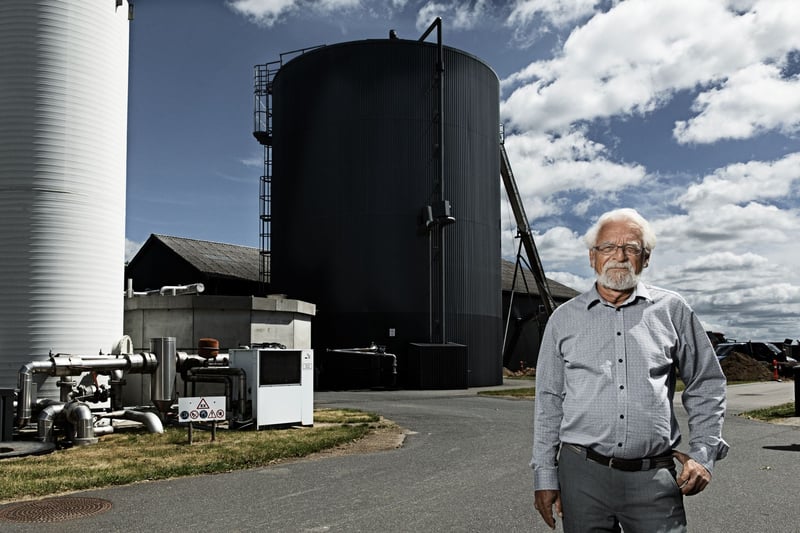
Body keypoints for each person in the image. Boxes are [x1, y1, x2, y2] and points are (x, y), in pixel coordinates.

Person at [531, 208, 729, 532]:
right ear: (592, 257)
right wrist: (544, 474)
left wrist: (704, 453)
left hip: (653, 479)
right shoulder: (563, 319)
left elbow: (706, 382)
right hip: (582, 476)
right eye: (608, 247)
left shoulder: (673, 310)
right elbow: (549, 400)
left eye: (631, 248)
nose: (619, 256)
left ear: (646, 258)